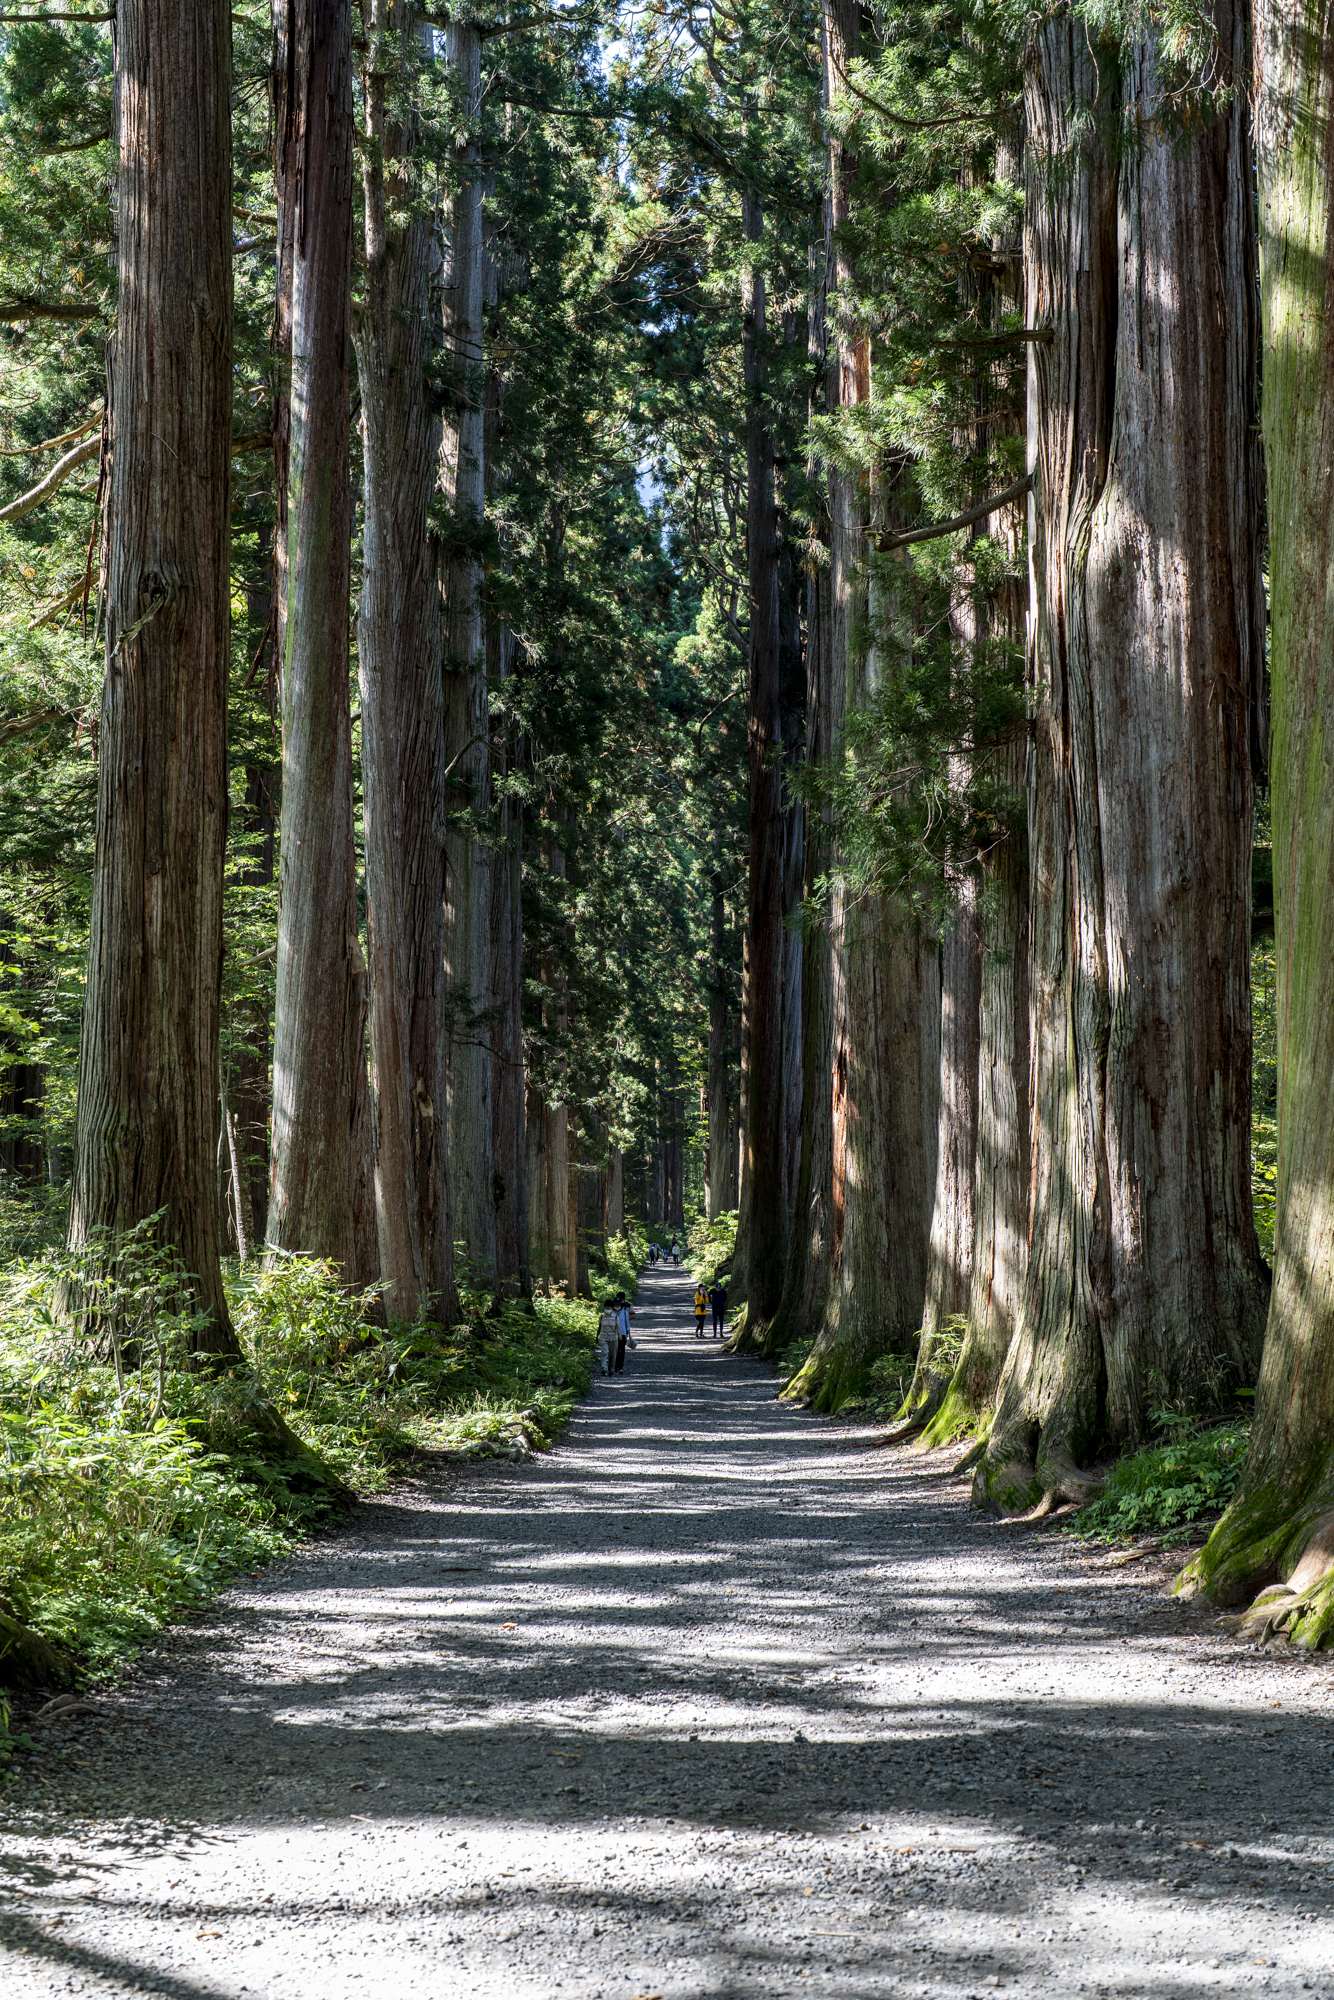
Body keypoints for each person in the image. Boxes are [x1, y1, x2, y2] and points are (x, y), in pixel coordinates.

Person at [613, 1292, 637, 1373]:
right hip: (612, 1334)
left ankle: (620, 1367)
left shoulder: (626, 1310)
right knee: (613, 1350)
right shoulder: (611, 1313)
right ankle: (614, 1366)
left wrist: (629, 1334)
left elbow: (629, 1321)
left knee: (621, 1350)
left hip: (622, 1334)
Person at [596, 1301, 618, 1377]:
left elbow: (618, 1327)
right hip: (603, 1337)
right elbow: (599, 1327)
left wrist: (620, 1336)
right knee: (604, 1353)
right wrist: (597, 1336)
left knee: (612, 1354)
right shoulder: (602, 1317)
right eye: (606, 1308)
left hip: (613, 1337)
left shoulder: (615, 1317)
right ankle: (604, 1369)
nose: (607, 1309)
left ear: (612, 1308)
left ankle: (611, 1369)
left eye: (609, 1308)